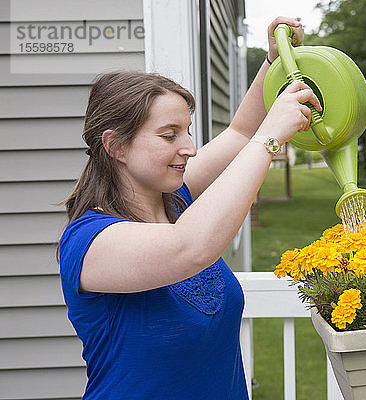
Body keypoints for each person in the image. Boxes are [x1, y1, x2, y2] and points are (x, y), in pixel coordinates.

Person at [57, 17, 321, 399]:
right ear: (115, 146)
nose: (190, 148)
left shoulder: (176, 200)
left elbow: (240, 133)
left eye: (188, 130)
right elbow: (190, 247)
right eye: (169, 135)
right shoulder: (90, 243)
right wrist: (271, 137)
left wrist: (272, 61)